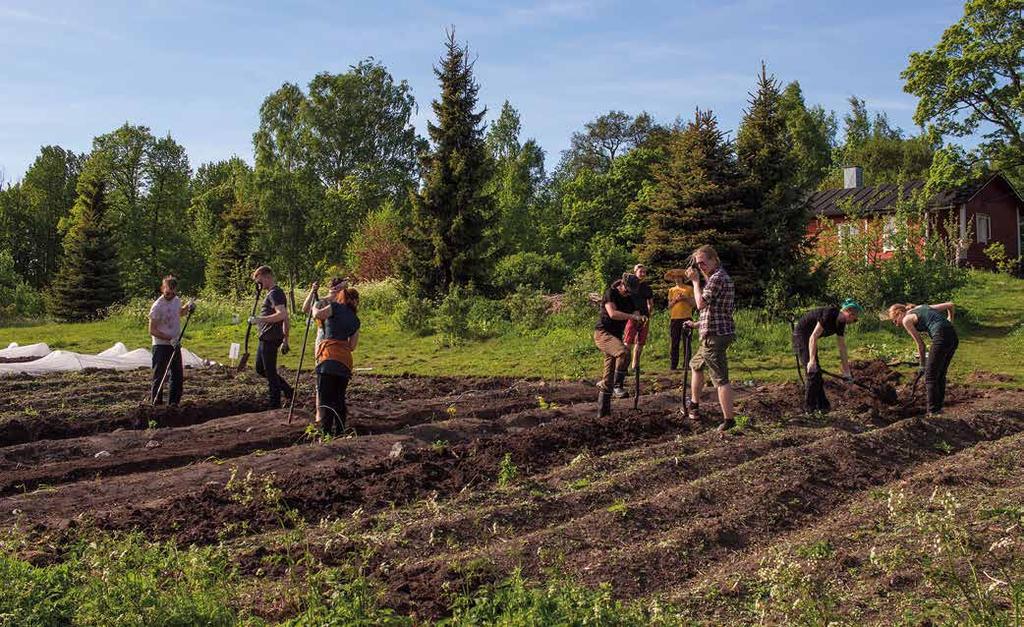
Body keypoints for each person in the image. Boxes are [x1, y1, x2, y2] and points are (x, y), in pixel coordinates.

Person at [685, 245, 736, 431]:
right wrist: (696, 324)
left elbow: (700, 304)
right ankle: (694, 405)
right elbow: (717, 311)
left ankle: (729, 420)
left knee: (720, 379)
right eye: (698, 264)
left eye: (704, 262)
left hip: (715, 336)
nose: (701, 266)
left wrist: (695, 283)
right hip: (715, 331)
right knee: (695, 364)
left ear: (715, 259)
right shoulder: (720, 277)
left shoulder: (716, 279)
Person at [887, 302, 958, 415]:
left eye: (894, 321)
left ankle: (933, 412)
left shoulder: (906, 320)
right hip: (953, 337)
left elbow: (921, 345)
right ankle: (938, 409)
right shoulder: (921, 307)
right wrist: (950, 320)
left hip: (941, 337)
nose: (896, 324)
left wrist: (922, 365)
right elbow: (950, 305)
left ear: (899, 313)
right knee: (940, 374)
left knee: (930, 377)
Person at [792, 299, 863, 414]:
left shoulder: (840, 323)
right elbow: (813, 336)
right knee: (813, 373)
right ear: (849, 313)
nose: (854, 321)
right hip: (801, 336)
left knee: (817, 373)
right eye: (855, 319)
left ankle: (823, 406)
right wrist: (811, 360)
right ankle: (808, 409)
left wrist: (847, 373)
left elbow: (842, 348)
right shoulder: (830, 314)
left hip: (809, 339)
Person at [594, 273, 647, 416]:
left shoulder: (630, 299)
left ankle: (603, 414)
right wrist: (632, 316)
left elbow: (636, 312)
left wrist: (640, 319)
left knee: (607, 377)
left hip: (616, 337)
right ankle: (618, 386)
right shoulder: (611, 293)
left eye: (631, 292)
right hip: (603, 333)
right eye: (628, 290)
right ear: (622, 285)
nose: (628, 293)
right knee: (624, 352)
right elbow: (613, 314)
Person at [312, 280, 360, 435]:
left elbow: (318, 315)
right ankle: (340, 431)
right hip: (344, 361)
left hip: (328, 357)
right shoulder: (355, 320)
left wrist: (314, 306)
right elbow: (352, 346)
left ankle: (326, 433)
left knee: (325, 399)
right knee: (339, 399)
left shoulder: (335, 308)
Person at [301, 278, 348, 426]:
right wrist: (312, 291)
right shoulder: (323, 302)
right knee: (321, 381)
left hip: (338, 340)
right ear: (333, 288)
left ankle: (332, 414)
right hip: (323, 340)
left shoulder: (343, 303)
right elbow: (306, 308)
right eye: (340, 287)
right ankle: (320, 414)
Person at [248, 266, 294, 408]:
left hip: (270, 338)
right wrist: (285, 339)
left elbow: (282, 315)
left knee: (269, 371)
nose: (258, 284)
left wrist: (259, 319)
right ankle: (288, 391)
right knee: (260, 368)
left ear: (266, 276)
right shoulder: (273, 293)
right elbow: (286, 319)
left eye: (259, 280)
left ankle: (275, 403)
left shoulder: (275, 294)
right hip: (267, 336)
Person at [148, 275, 194, 405]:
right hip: (161, 345)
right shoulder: (157, 306)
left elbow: (179, 313)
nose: (170, 296)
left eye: (173, 293)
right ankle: (156, 404)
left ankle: (173, 404)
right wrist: (170, 338)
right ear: (162, 289)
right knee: (160, 376)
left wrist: (188, 308)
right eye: (167, 293)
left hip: (175, 344)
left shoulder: (176, 300)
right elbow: (152, 330)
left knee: (177, 376)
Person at [623, 264, 655, 373]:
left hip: (644, 317)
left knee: (640, 343)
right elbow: (625, 301)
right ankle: (623, 367)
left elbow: (650, 302)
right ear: (635, 271)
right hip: (632, 317)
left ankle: (635, 366)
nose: (643, 274)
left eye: (644, 272)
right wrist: (631, 312)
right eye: (641, 271)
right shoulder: (629, 285)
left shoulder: (647, 287)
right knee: (628, 342)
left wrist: (649, 312)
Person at [666, 270, 696, 370]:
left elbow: (694, 303)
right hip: (674, 318)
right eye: (675, 278)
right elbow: (669, 306)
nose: (677, 279)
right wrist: (676, 300)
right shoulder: (671, 290)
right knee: (674, 342)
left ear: (683, 278)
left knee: (687, 342)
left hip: (687, 317)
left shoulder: (689, 288)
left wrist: (685, 298)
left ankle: (687, 364)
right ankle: (673, 365)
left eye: (679, 277)